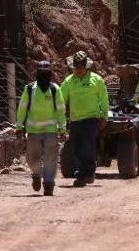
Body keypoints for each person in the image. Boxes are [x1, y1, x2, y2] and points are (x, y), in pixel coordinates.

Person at [16, 61, 67, 196]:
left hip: (51, 130)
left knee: (51, 158)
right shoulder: (29, 89)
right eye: (41, 73)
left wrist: (63, 129)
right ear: (37, 74)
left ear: (50, 74)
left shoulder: (55, 89)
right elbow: (22, 108)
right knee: (32, 159)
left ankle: (49, 183)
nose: (44, 75)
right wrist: (19, 127)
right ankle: (36, 174)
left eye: (46, 73)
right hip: (33, 131)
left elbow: (61, 110)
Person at [60, 51, 109, 188]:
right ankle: (85, 173)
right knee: (76, 148)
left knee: (87, 147)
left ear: (86, 67)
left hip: (91, 119)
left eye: (81, 68)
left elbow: (104, 99)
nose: (79, 71)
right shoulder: (69, 81)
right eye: (76, 68)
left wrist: (104, 116)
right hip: (75, 120)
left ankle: (84, 174)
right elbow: (61, 99)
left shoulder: (97, 80)